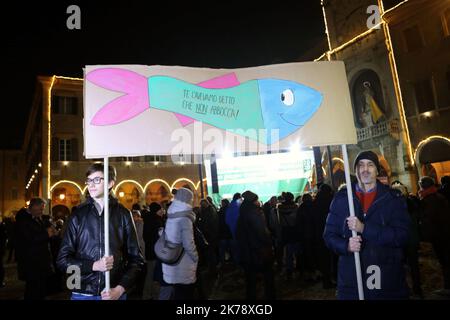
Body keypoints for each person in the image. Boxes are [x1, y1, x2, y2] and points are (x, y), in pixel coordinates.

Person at [323, 150, 410, 299]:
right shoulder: (342, 199)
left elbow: (402, 235)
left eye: (370, 165)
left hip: (386, 278)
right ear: (355, 170)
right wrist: (346, 246)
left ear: (377, 170)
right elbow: (328, 236)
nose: (365, 169)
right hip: (352, 279)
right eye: (360, 165)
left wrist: (364, 228)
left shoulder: (392, 199)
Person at [57, 163, 144, 300]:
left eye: (97, 180)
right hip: (83, 292)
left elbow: (136, 260)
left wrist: (120, 289)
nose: (91, 185)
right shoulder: (77, 216)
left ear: (110, 183)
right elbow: (63, 261)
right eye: (89, 180)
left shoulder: (123, 215)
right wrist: (94, 265)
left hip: (113, 292)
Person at [236, 190, 275, 300]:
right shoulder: (253, 213)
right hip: (258, 251)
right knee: (268, 276)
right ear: (253, 201)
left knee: (250, 280)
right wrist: (269, 243)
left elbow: (238, 234)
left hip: (247, 252)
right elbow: (262, 233)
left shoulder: (242, 213)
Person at [15, 198, 56, 299]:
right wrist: (46, 234)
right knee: (33, 290)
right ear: (33, 207)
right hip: (31, 262)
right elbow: (29, 239)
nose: (42, 211)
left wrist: (50, 233)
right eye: (40, 209)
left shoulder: (35, 218)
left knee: (39, 289)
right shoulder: (23, 220)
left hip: (38, 261)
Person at [162, 188, 198, 300]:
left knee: (177, 293)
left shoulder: (172, 215)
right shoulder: (185, 218)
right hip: (184, 264)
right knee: (185, 295)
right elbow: (188, 243)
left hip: (172, 261)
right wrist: (195, 257)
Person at [418, 176, 450, 295]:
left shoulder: (428, 200)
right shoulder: (439, 197)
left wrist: (425, 236)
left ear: (423, 187)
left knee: (444, 261)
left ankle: (447, 287)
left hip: (439, 236)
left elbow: (428, 221)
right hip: (445, 233)